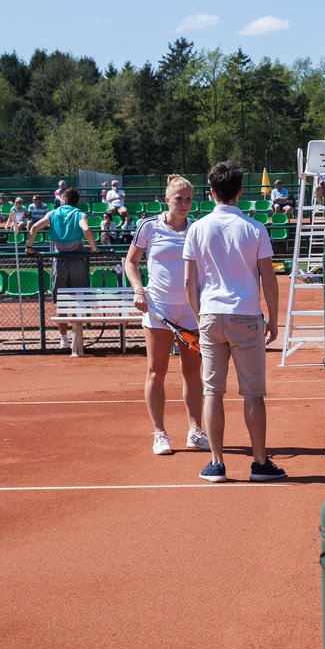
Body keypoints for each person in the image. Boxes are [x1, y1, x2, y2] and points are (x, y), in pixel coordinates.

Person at [183, 161, 284, 483]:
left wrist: (200, 317)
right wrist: (274, 320)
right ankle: (259, 462)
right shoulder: (255, 228)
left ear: (211, 192)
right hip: (247, 315)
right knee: (253, 393)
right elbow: (269, 279)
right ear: (240, 192)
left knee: (213, 391)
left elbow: (189, 281)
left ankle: (216, 463)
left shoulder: (196, 227)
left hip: (211, 315)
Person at [124, 175, 209, 456]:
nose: (184, 204)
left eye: (188, 199)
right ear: (167, 199)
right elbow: (131, 262)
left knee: (193, 373)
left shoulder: (197, 228)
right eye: (178, 199)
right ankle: (159, 433)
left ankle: (195, 431)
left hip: (190, 312)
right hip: (158, 310)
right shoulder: (149, 227)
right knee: (156, 371)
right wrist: (138, 291)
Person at [26, 188, 98, 349]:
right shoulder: (80, 214)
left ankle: (63, 339)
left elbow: (34, 228)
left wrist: (29, 247)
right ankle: (76, 338)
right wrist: (94, 248)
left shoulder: (53, 214)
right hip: (77, 262)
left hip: (59, 262)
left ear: (64, 200)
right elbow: (86, 229)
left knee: (62, 304)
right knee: (79, 302)